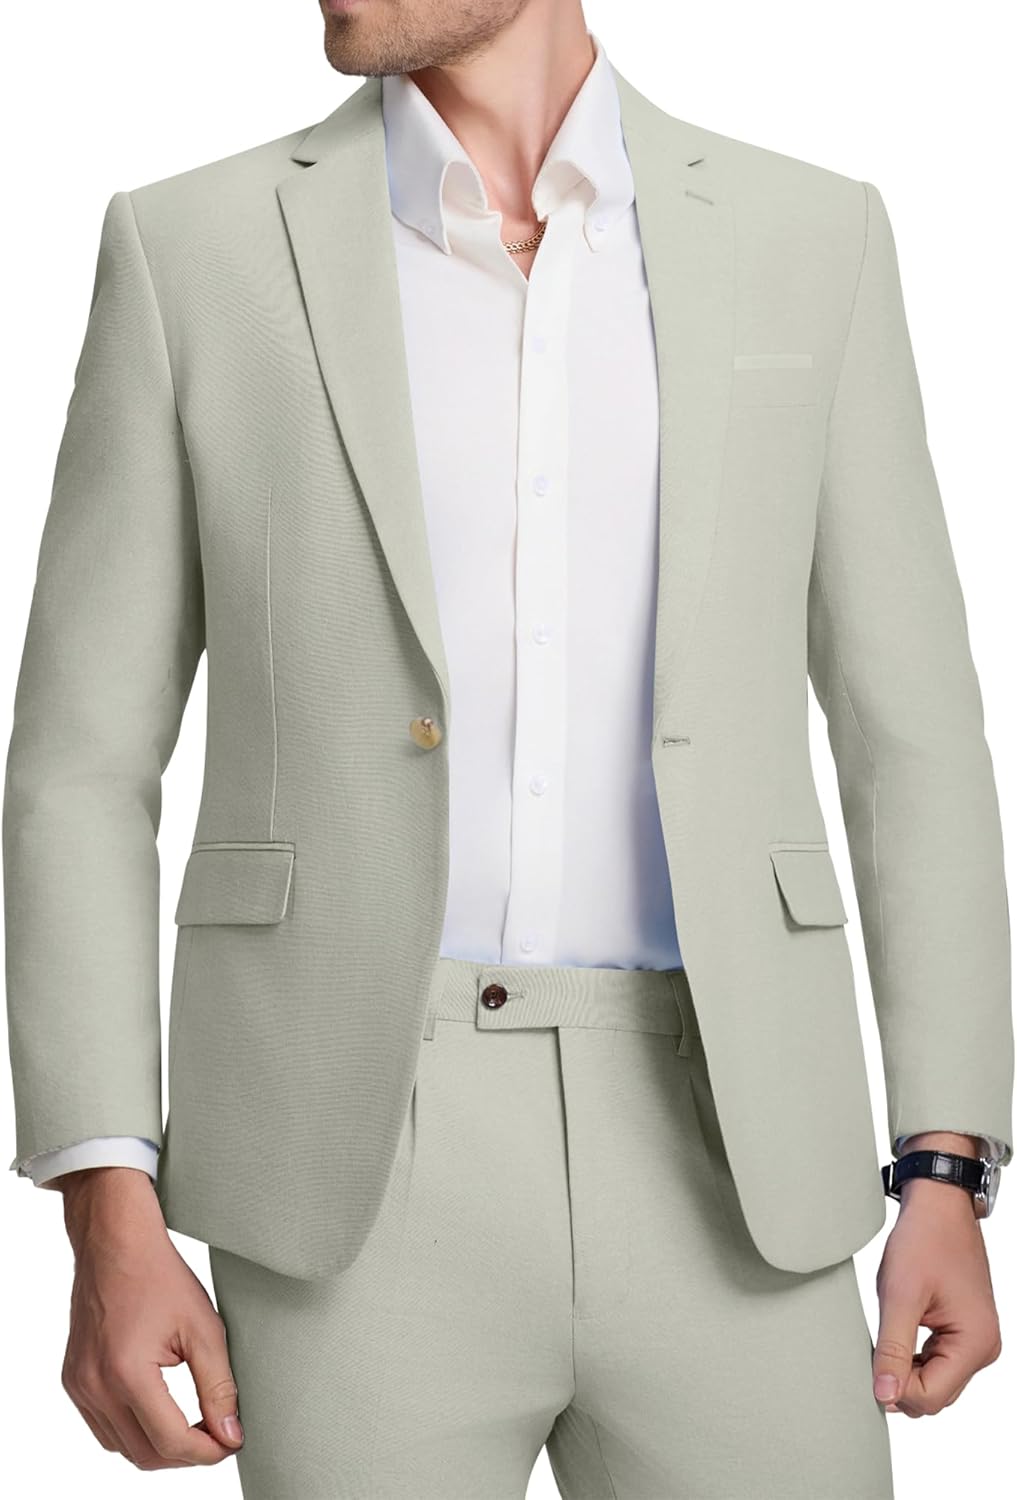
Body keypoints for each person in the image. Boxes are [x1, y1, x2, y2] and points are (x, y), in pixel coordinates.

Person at [4, 1, 1012, 1495]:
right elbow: (81, 764)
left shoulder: (816, 238)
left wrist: (945, 1161)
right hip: (344, 1165)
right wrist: (104, 1193)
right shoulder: (191, 247)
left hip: (738, 1146)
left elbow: (909, 730)